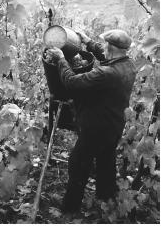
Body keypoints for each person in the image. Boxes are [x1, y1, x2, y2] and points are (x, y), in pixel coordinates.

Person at [47, 29, 137, 214]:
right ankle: (106, 200)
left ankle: (69, 209)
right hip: (115, 124)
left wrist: (61, 59)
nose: (103, 46)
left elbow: (72, 83)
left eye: (105, 44)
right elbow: (105, 54)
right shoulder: (128, 64)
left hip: (96, 128)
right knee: (106, 161)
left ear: (111, 47)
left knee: (78, 163)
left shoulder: (106, 74)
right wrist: (88, 42)